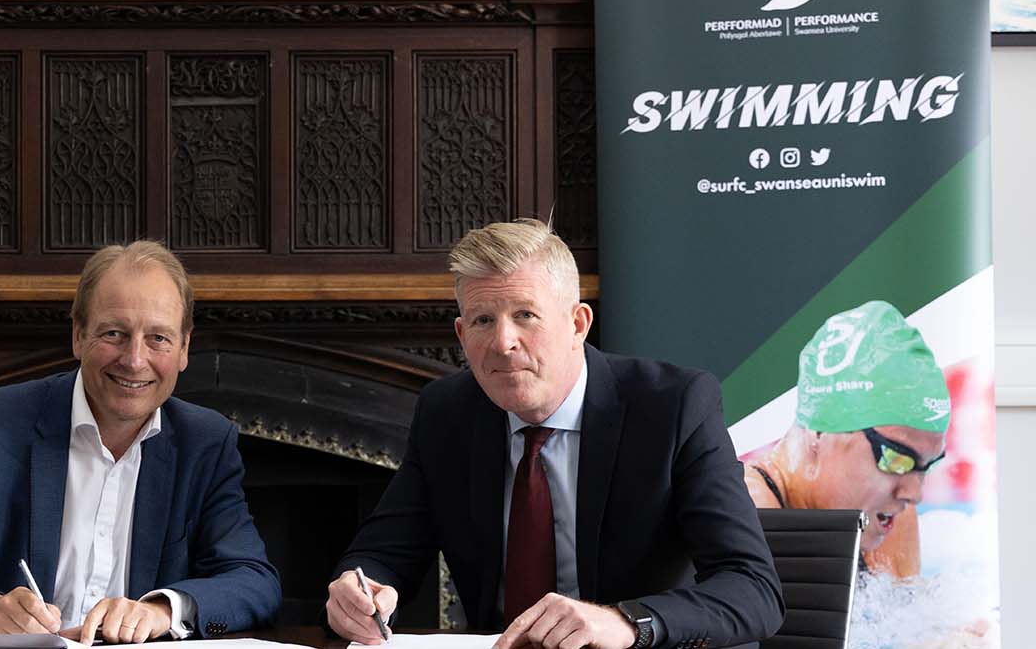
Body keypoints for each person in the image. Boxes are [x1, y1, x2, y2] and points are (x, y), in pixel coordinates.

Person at [326, 219, 783, 649]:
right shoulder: (447, 412)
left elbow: (752, 589)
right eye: (483, 321)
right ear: (462, 336)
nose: (503, 342)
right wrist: (359, 589)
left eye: (525, 314)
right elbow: (383, 553)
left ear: (577, 325)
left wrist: (626, 621)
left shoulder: (674, 405)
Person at [0, 241, 281, 645]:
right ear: (78, 335)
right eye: (114, 333)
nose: (135, 360)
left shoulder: (204, 443)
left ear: (184, 349)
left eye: (159, 338)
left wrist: (163, 611)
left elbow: (253, 580)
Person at [742, 300, 950, 579]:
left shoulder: (886, 513)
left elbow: (911, 619)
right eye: (895, 458)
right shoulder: (745, 509)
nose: (914, 493)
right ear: (819, 433)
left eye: (925, 466)